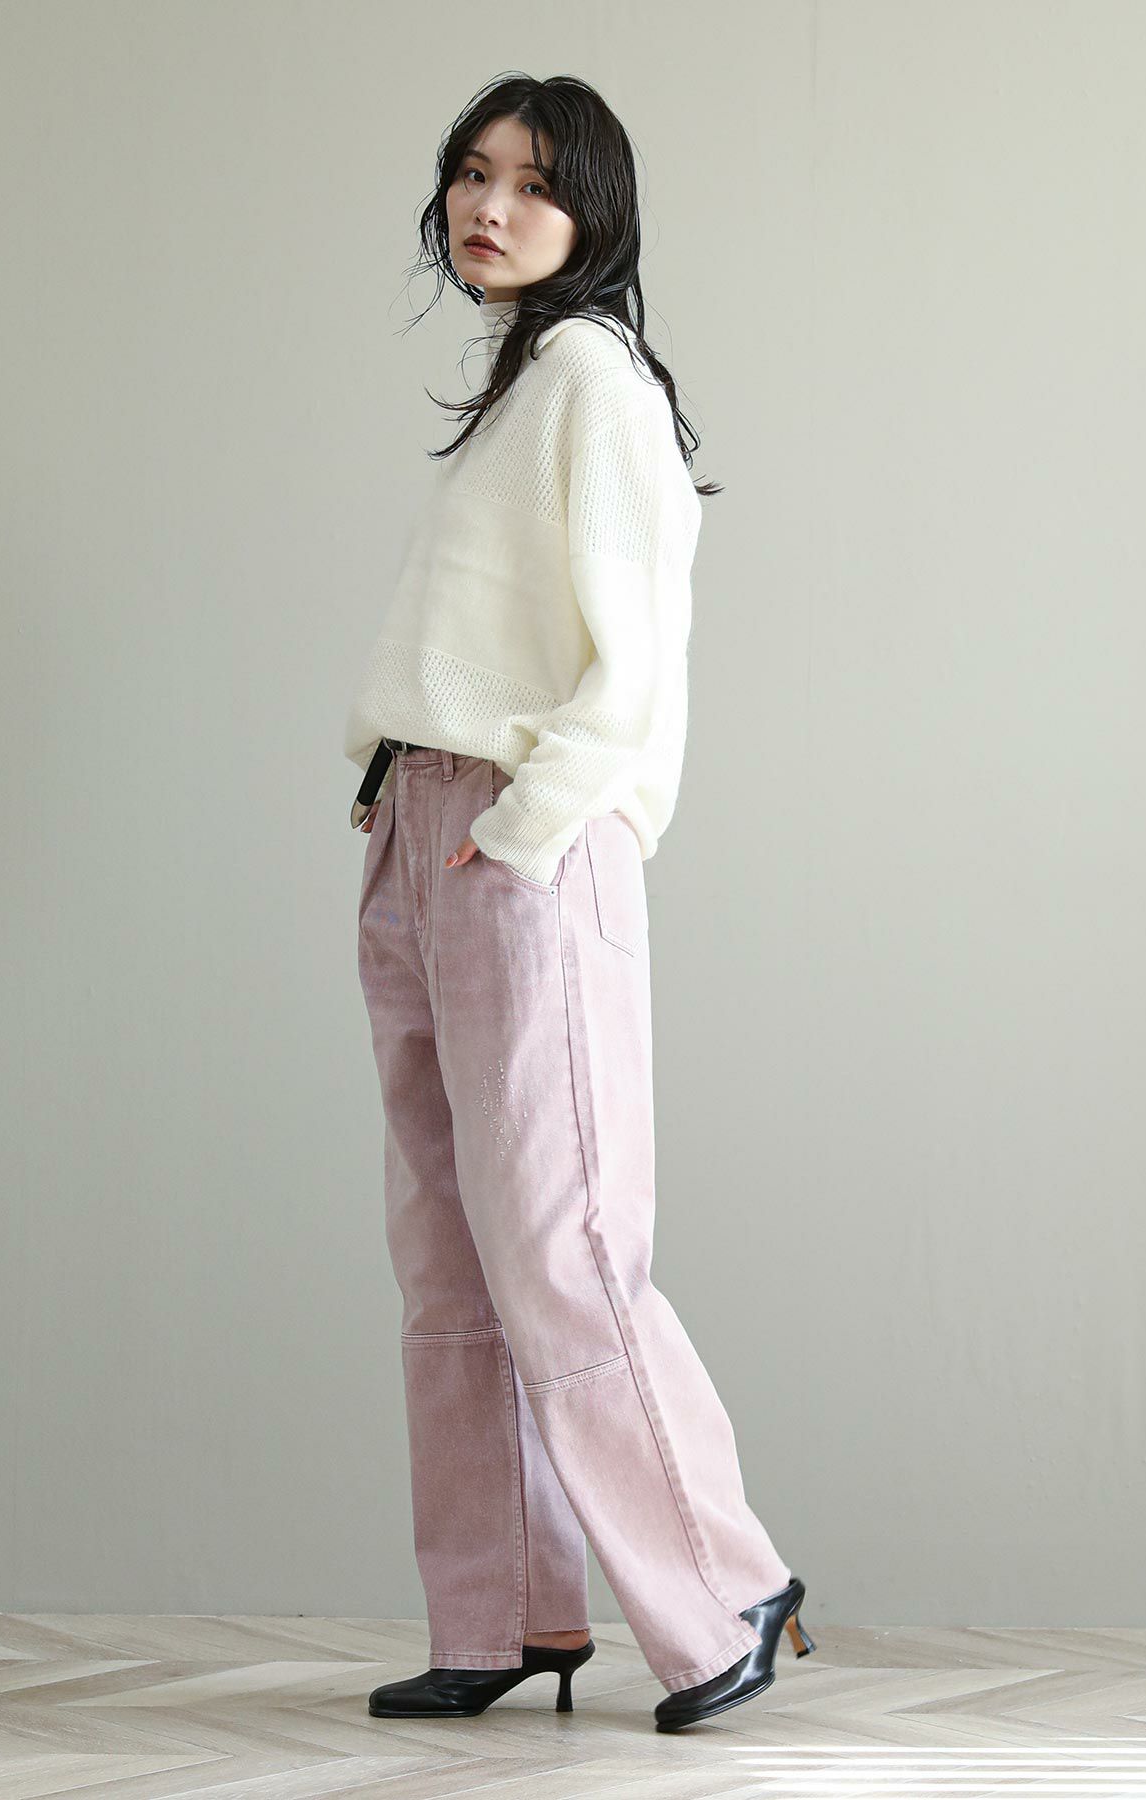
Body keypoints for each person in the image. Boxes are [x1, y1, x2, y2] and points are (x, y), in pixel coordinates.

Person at [342, 73, 815, 1731]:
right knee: (449, 1257)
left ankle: (728, 1588)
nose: (490, 207)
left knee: (564, 1243)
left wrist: (525, 828)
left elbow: (638, 666)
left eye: (533, 185)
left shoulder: (597, 381)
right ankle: (502, 1614)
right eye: (472, 174)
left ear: (592, 214)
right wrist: (407, 815)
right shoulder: (524, 383)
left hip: (517, 841)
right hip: (422, 826)